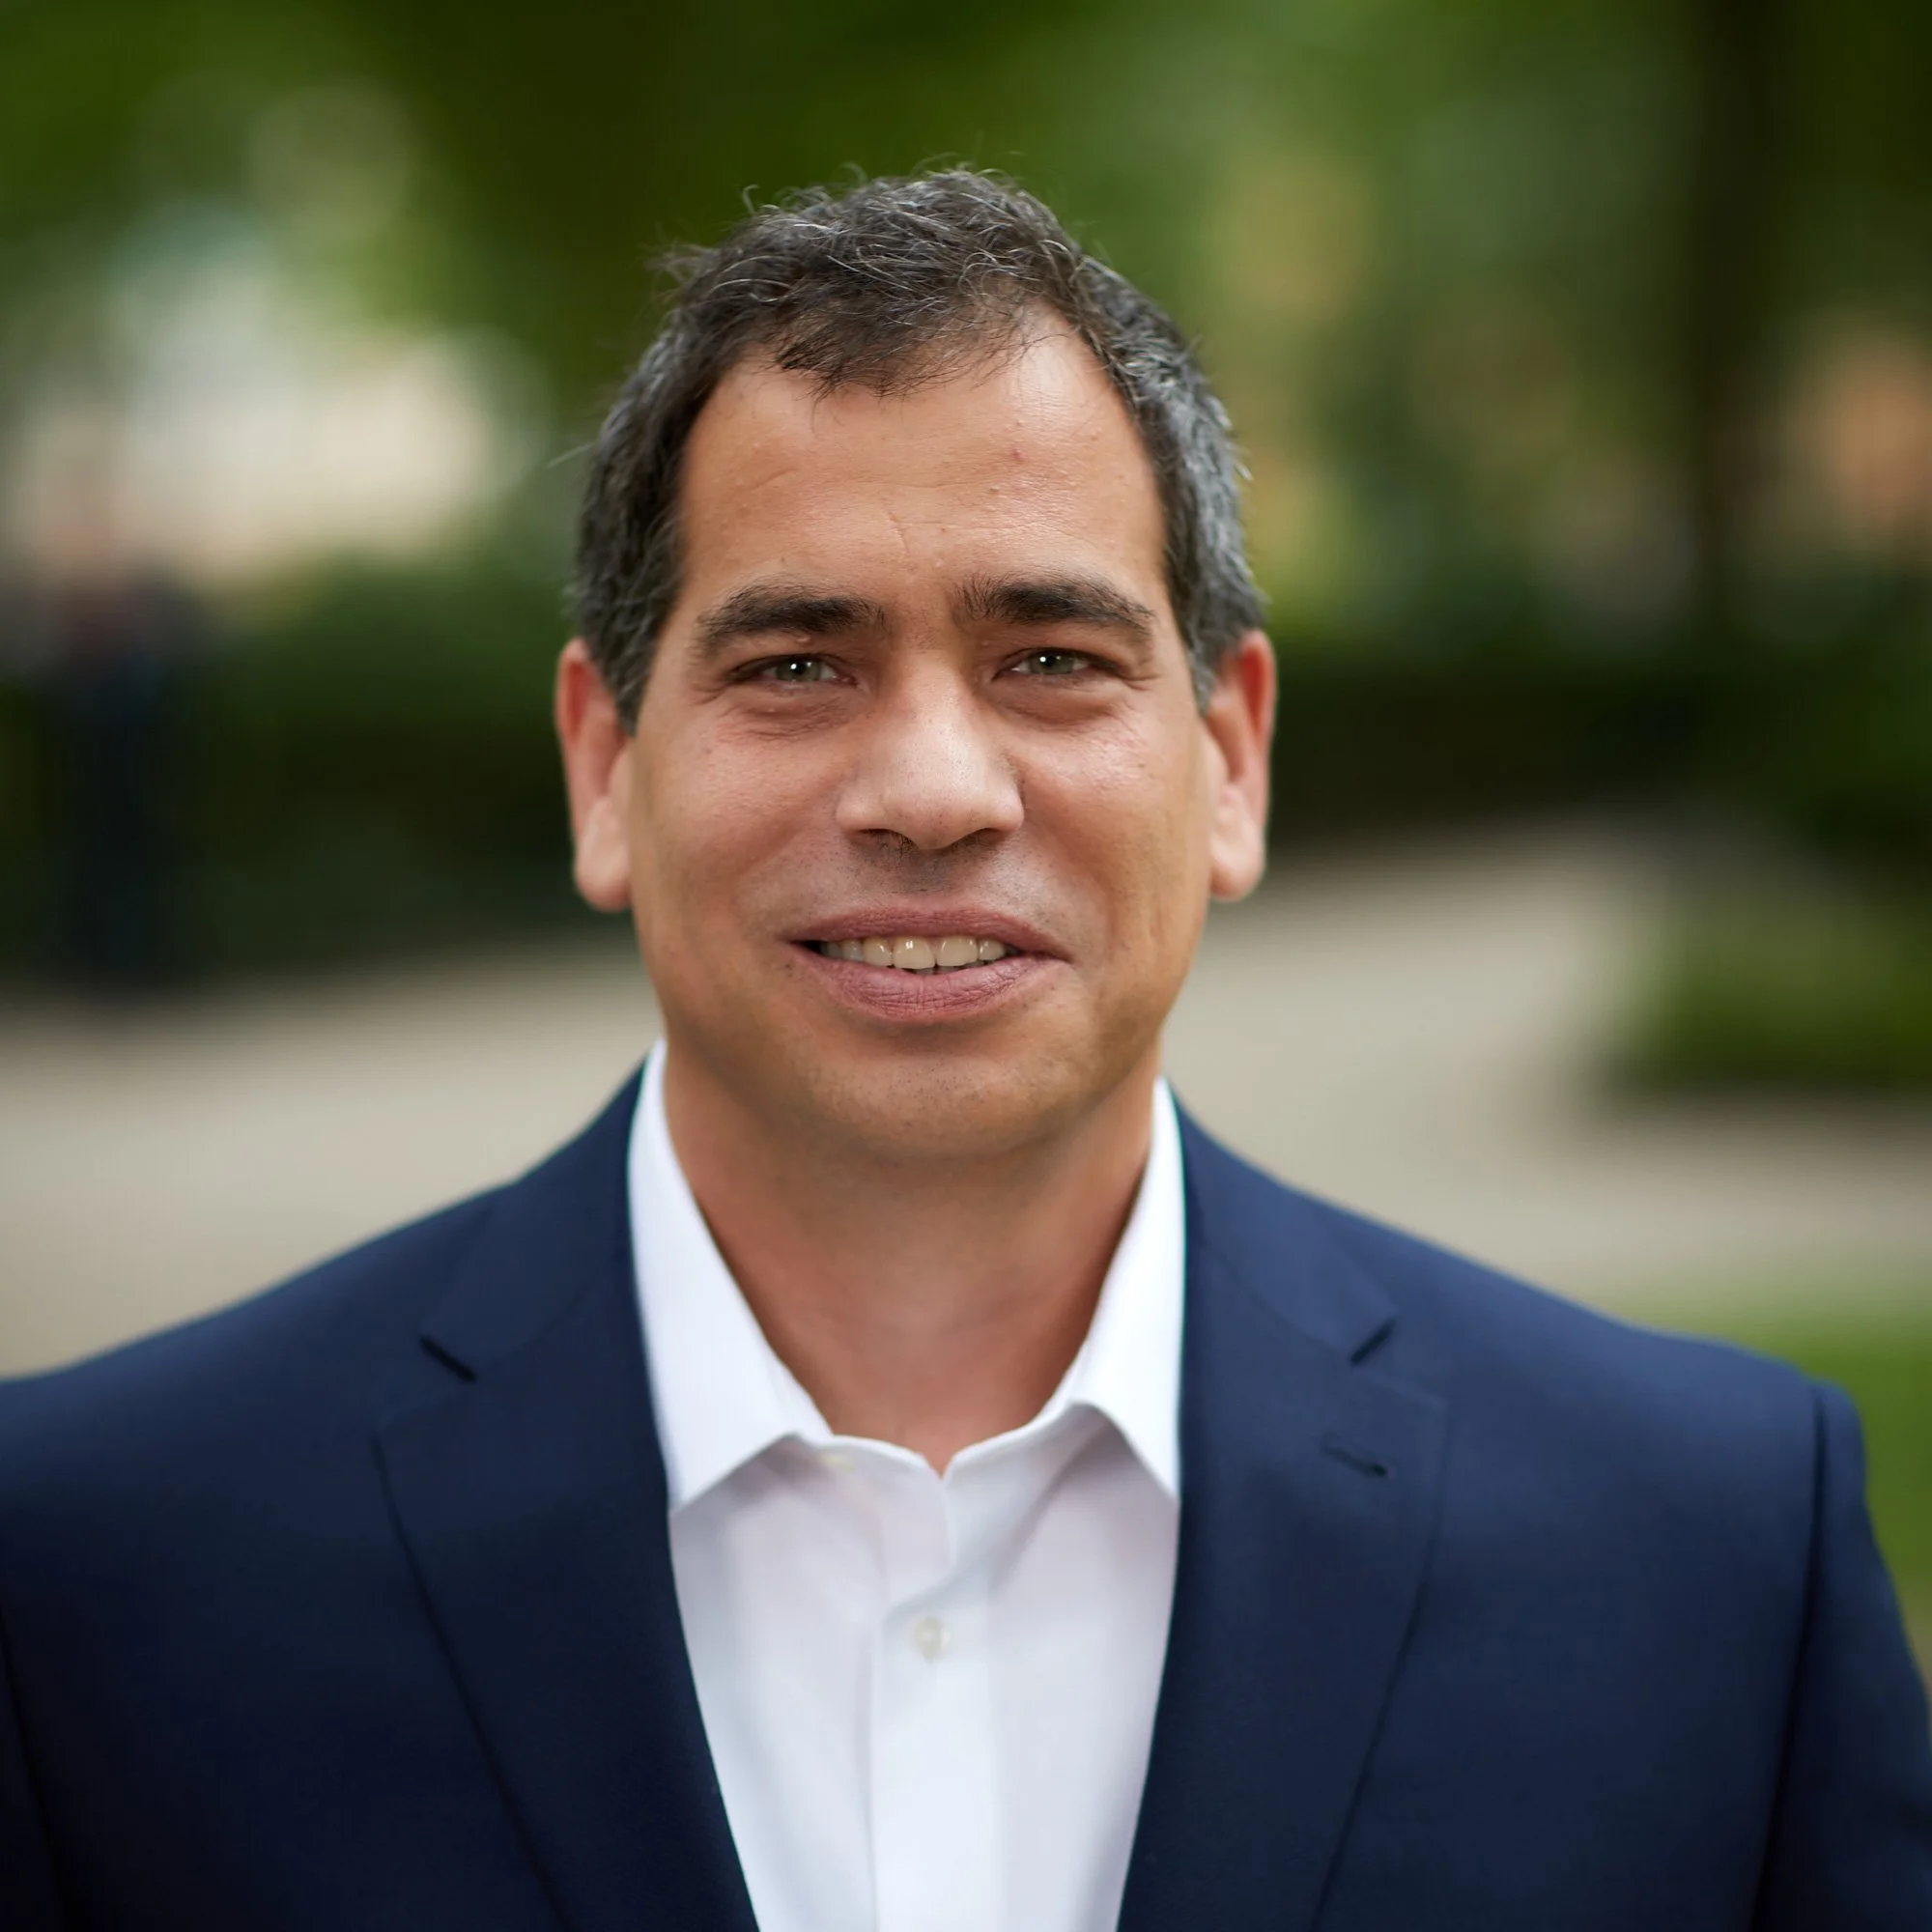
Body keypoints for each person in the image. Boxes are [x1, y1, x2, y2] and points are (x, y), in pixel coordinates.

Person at [1, 171, 1927, 1931]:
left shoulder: (1705, 1551)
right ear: (605, 767)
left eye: (1052, 658)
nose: (931, 788)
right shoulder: (98, 1566)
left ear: (1230, 757)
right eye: (796, 663)